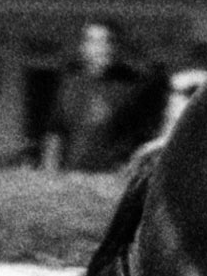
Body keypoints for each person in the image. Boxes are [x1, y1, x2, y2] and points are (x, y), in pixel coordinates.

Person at [42, 19, 164, 172]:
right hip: (72, 177)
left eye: (107, 41)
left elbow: (147, 137)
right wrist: (49, 174)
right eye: (93, 42)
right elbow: (55, 133)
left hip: (112, 178)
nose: (101, 48)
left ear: (116, 46)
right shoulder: (69, 84)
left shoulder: (133, 85)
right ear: (83, 47)